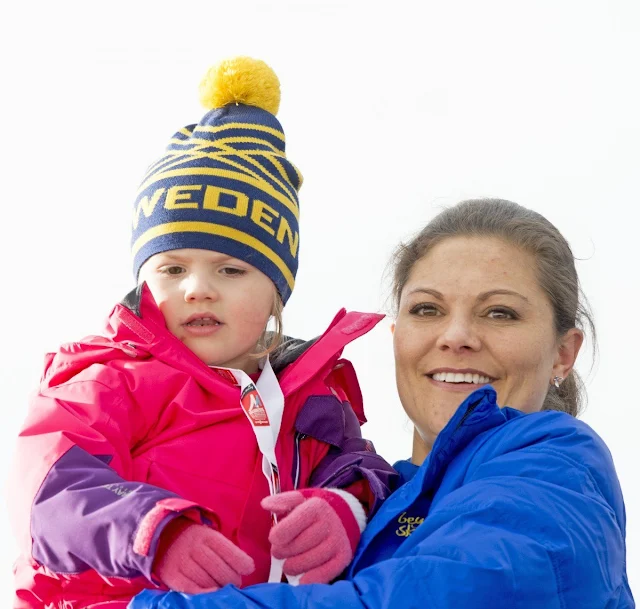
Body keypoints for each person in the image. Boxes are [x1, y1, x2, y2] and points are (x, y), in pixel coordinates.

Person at [7, 57, 397, 609]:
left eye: (231, 269)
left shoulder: (310, 396)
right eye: (171, 268)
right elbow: (48, 491)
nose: (197, 288)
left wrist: (346, 508)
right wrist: (154, 532)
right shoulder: (108, 379)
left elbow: (363, 472)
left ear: (275, 295)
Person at [130, 198, 635, 608]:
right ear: (397, 336)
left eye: (500, 313)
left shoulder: (560, 469)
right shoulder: (360, 498)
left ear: (563, 354)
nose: (455, 336)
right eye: (427, 309)